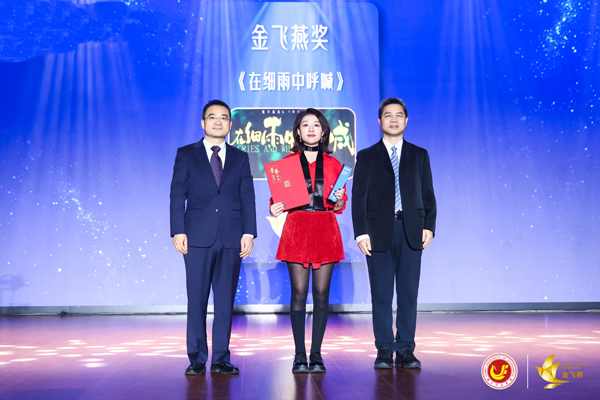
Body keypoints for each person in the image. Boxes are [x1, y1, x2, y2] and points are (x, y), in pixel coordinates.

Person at [170, 100, 257, 376]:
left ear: (230, 124)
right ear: (203, 123)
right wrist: (178, 230)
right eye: (212, 117)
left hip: (232, 237)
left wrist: (249, 232)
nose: (218, 122)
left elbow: (247, 197)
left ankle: (220, 358)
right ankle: (196, 358)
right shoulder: (186, 154)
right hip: (196, 236)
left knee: (224, 302)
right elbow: (177, 195)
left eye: (223, 118)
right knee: (196, 299)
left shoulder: (240, 157)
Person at [352, 98, 436, 369]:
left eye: (399, 115)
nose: (394, 119)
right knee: (381, 294)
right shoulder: (367, 156)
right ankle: (385, 348)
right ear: (380, 121)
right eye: (388, 115)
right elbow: (358, 199)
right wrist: (361, 233)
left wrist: (429, 226)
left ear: (406, 120)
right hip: (377, 233)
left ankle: (406, 348)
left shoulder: (419, 155)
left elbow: (428, 195)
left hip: (411, 230)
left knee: (409, 293)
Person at [269, 108, 347, 373]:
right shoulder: (287, 163)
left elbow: (339, 203)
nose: (311, 129)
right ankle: (299, 355)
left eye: (316, 124)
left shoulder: (335, 165)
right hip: (297, 228)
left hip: (325, 227)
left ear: (324, 131)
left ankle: (317, 354)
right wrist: (274, 208)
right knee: (299, 293)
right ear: (298, 131)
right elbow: (277, 200)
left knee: (322, 294)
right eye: (305, 124)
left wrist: (339, 201)